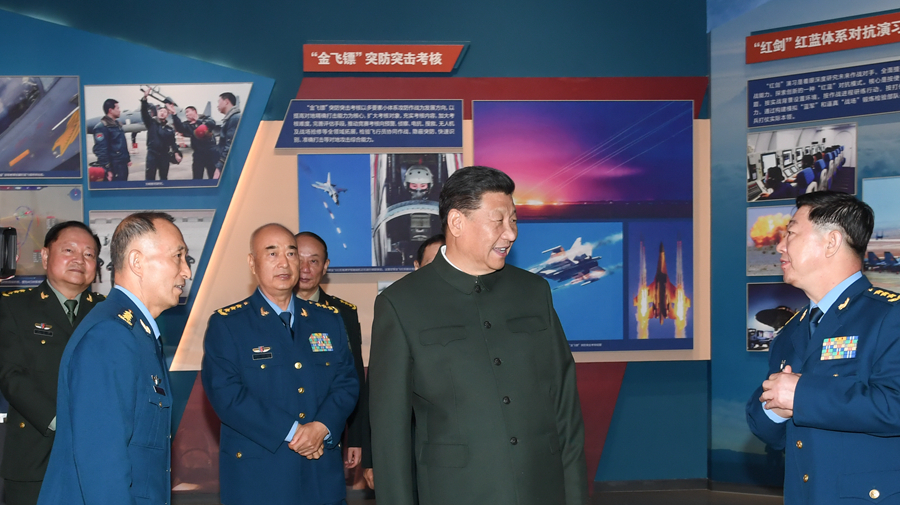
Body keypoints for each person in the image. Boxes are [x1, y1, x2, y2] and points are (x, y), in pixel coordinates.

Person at [369, 166, 588, 505]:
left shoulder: (533, 291)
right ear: (457, 223)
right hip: (457, 491)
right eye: (497, 221)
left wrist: (574, 496)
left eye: (513, 220)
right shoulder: (401, 304)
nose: (510, 233)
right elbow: (389, 433)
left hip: (541, 488)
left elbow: (565, 405)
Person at [746, 191, 900, 504]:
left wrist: (801, 396)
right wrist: (774, 409)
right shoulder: (792, 330)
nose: (780, 246)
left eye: (791, 233)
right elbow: (765, 426)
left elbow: (894, 405)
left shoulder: (889, 316)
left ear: (831, 242)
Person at [36, 212, 191, 505]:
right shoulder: (111, 335)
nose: (186, 271)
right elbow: (102, 466)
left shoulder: (135, 332)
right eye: (178, 257)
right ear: (137, 262)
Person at [202, 224, 358, 505]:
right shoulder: (228, 324)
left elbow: (346, 381)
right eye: (272, 253)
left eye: (291, 253)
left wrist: (322, 427)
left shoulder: (328, 319)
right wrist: (295, 432)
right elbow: (227, 395)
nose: (284, 263)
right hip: (260, 478)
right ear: (252, 263)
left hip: (320, 472)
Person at [0, 222, 104, 505]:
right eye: (69, 250)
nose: (79, 260)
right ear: (45, 256)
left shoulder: (107, 312)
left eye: (89, 254)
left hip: (97, 458)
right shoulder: (13, 306)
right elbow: (10, 375)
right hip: (35, 457)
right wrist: (62, 421)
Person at [294, 232, 369, 474]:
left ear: (325, 266)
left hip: (327, 431)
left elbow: (353, 376)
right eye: (299, 259)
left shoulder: (342, 313)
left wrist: (356, 437)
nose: (305, 269)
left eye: (314, 261)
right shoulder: (268, 311)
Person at [140, 88, 182, 181]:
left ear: (167, 115)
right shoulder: (151, 123)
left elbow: (173, 143)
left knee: (164, 178)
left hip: (164, 156)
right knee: (150, 178)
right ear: (158, 113)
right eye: (161, 111)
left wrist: (176, 153)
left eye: (164, 112)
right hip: (152, 155)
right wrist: (144, 99)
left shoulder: (169, 128)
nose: (162, 113)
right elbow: (144, 112)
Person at [169, 104, 218, 180]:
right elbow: (180, 128)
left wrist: (197, 121)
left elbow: (212, 123)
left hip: (210, 153)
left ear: (194, 111)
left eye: (188, 112)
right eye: (185, 113)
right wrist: (174, 114)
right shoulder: (188, 125)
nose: (186, 114)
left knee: (213, 177)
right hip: (198, 154)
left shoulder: (205, 118)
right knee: (197, 178)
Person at [92, 98, 131, 181]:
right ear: (110, 110)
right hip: (114, 167)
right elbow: (101, 150)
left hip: (122, 166)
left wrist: (127, 159)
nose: (120, 110)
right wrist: (107, 169)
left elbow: (122, 144)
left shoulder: (117, 125)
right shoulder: (102, 127)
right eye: (117, 108)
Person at [214, 92, 241, 179]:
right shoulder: (231, 119)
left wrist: (220, 166)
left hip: (230, 165)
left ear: (226, 102)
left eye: (219, 102)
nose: (217, 105)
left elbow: (230, 145)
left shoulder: (234, 118)